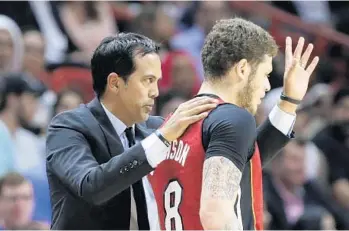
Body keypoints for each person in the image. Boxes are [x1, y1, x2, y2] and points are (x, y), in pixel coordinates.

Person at [147, 18, 319, 230]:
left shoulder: (174, 122)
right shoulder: (233, 118)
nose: (266, 86)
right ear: (243, 68)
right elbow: (215, 215)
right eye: (265, 74)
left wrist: (289, 101)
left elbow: (244, 164)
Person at [45, 32, 218, 230]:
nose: (156, 92)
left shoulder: (156, 128)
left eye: (157, 81)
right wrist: (161, 139)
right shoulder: (67, 127)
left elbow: (226, 158)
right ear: (115, 83)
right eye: (148, 80)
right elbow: (91, 187)